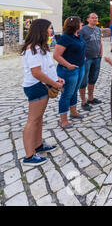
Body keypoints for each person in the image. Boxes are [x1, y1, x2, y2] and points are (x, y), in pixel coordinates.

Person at [21, 19, 64, 166]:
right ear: (42, 30)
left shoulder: (40, 47)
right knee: (33, 120)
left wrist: (56, 78)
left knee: (38, 118)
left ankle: (38, 145)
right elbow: (37, 73)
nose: (51, 31)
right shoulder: (32, 49)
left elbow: (46, 68)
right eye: (50, 29)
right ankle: (29, 155)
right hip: (36, 86)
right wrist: (55, 84)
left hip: (42, 85)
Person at [53, 16, 86, 129]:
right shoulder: (65, 38)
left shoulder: (78, 36)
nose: (82, 23)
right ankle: (64, 120)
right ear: (75, 25)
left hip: (80, 67)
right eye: (80, 22)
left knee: (74, 91)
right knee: (67, 94)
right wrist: (68, 65)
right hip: (68, 70)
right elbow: (56, 55)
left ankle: (73, 112)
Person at [78, 13, 103, 112]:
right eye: (92, 18)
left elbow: (99, 41)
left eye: (96, 18)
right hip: (87, 58)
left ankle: (91, 98)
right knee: (84, 80)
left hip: (97, 57)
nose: (95, 19)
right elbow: (79, 42)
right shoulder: (83, 30)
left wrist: (101, 52)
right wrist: (82, 55)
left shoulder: (98, 29)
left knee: (93, 78)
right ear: (88, 19)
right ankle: (83, 101)